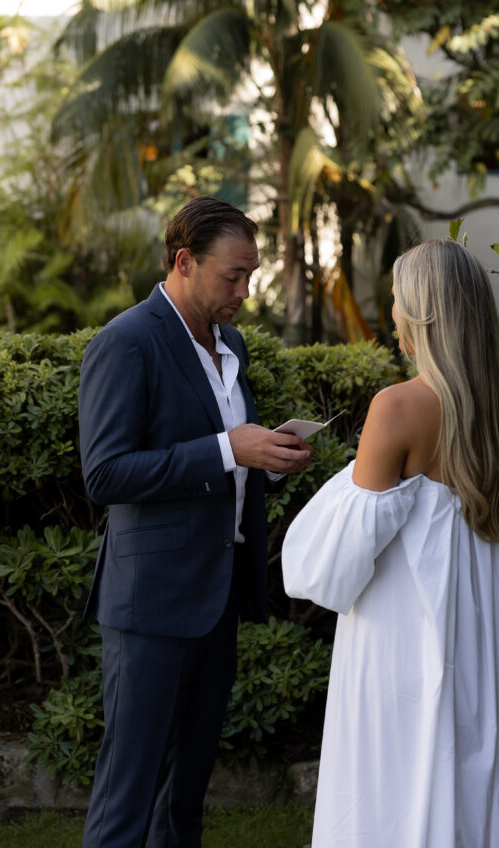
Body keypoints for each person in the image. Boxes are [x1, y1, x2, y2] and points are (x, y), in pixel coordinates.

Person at [282, 239, 499, 848]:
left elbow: (337, 565)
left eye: (399, 301)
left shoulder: (398, 406)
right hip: (491, 633)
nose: (394, 314)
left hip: (408, 632)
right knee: (484, 764)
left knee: (400, 774)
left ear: (423, 313)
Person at [79, 196, 313, 848]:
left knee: (184, 801)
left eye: (252, 275)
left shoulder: (230, 342)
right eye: (231, 275)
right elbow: (105, 474)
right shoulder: (126, 341)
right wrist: (228, 449)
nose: (245, 290)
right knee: (127, 803)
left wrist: (267, 461)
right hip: (150, 604)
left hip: (218, 597)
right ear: (184, 262)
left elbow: (225, 457)